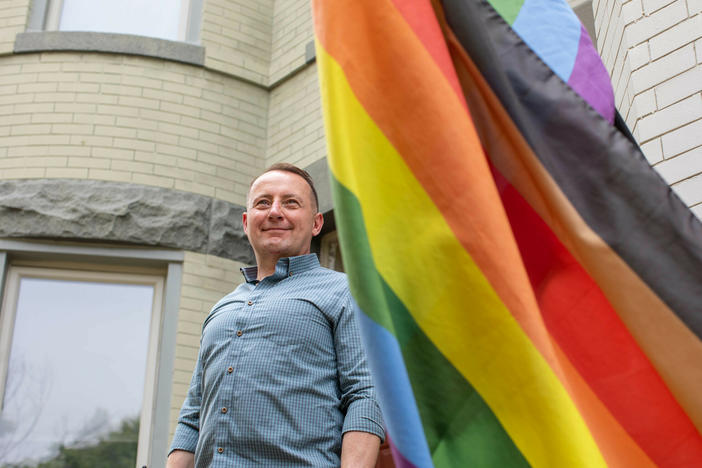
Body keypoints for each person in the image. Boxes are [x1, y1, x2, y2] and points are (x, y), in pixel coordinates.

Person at [167, 163, 384, 467]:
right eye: (263, 203)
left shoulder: (347, 292)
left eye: (291, 203)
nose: (275, 212)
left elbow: (365, 395)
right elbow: (192, 417)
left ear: (316, 223)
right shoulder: (221, 309)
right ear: (246, 222)